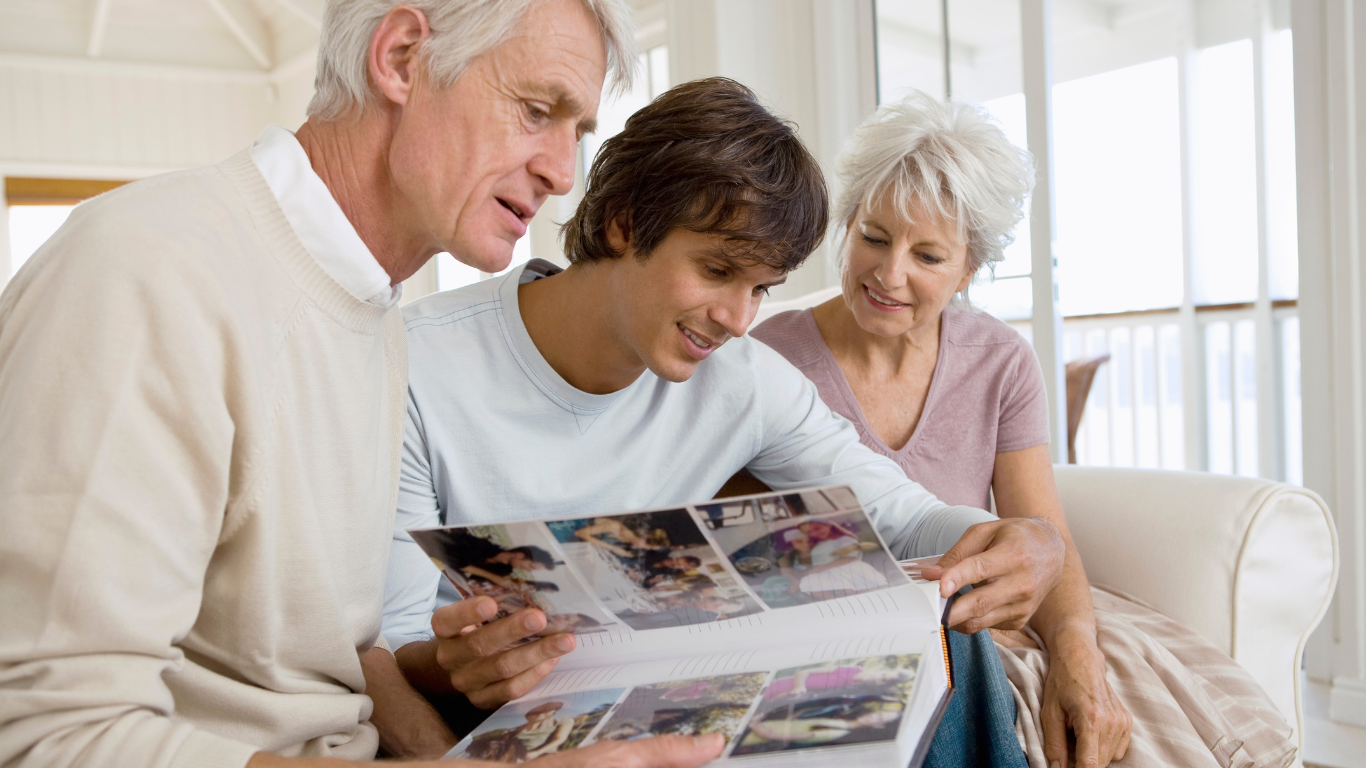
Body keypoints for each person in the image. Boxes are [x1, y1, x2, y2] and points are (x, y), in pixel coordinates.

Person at [0, 1, 725, 767]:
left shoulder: (371, 313)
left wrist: (455, 683)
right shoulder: (148, 271)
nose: (560, 172)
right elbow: (47, 736)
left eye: (575, 134)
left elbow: (309, 666)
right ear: (403, 58)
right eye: (537, 110)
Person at [382, 76, 1066, 728]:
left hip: (670, 700)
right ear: (624, 222)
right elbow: (395, 648)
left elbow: (903, 517)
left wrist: (1021, 541)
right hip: (509, 718)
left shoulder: (744, 380)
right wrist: (460, 667)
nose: (739, 318)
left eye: (762, 288)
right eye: (716, 271)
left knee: (948, 648)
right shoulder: (415, 366)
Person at [750, 91, 1297, 768]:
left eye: (929, 256)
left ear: (968, 270)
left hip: (988, 613)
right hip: (852, 628)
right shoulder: (767, 360)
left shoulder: (1000, 359)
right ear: (848, 225)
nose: (891, 274)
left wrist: (1076, 656)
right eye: (874, 236)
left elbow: (1044, 529)